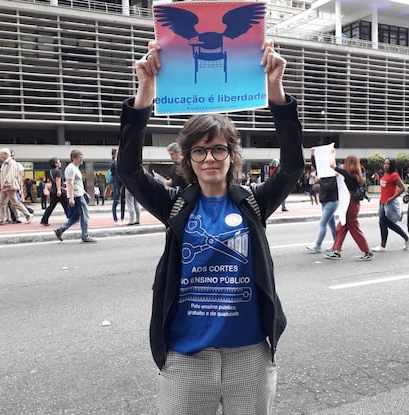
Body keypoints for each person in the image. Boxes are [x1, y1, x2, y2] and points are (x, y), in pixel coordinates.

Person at [117, 40, 304, 415]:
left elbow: (292, 167)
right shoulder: (176, 205)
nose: (209, 158)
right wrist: (145, 92)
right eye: (199, 151)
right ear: (188, 158)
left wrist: (275, 88)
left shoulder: (252, 203)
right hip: (186, 359)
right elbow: (129, 170)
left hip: (249, 356)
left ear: (232, 155)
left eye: (219, 148)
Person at [325, 155, 373, 261]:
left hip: (349, 203)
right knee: (342, 226)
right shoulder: (356, 175)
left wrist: (332, 153)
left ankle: (367, 251)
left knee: (352, 227)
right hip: (352, 202)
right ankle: (336, 251)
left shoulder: (347, 173)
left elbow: (332, 165)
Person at [54, 149, 96, 243]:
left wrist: (84, 192)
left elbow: (77, 183)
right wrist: (71, 198)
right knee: (84, 215)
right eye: (80, 158)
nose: (82, 159)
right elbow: (70, 183)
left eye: (82, 157)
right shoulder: (71, 168)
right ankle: (85, 236)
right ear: (74, 158)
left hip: (79, 194)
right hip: (77, 196)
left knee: (76, 217)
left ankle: (60, 230)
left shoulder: (75, 168)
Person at [372, 158, 409, 252]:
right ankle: (406, 238)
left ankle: (383, 245)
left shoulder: (394, 175)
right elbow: (385, 185)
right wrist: (378, 179)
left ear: (391, 165)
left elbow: (402, 188)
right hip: (382, 202)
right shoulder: (385, 174)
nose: (385, 165)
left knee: (383, 223)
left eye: (387, 164)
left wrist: (392, 198)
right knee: (385, 223)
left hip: (389, 204)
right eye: (384, 163)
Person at [306, 148, 338, 254]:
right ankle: (337, 245)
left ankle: (318, 246)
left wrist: (319, 182)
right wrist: (312, 155)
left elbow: (329, 186)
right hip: (326, 201)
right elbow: (316, 164)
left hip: (331, 202)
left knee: (323, 223)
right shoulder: (323, 171)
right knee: (332, 225)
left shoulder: (332, 173)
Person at [0, 148, 33, 224]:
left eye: (1, 154)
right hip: (5, 186)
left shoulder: (11, 163)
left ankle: (28, 215)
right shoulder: (4, 163)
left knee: (15, 202)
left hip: (9, 186)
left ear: (5, 154)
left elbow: (10, 174)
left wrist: (6, 183)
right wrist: (0, 184)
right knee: (1, 202)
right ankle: (0, 219)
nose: (0, 155)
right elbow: (2, 176)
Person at [40, 158, 69, 226]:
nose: (60, 163)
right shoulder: (58, 171)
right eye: (59, 162)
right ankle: (71, 218)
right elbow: (58, 181)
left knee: (51, 206)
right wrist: (59, 190)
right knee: (66, 205)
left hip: (52, 191)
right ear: (56, 164)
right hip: (58, 191)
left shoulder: (50, 171)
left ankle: (44, 220)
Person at [110, 148, 125, 224]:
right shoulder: (113, 162)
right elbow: (112, 171)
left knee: (123, 200)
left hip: (122, 183)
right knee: (116, 200)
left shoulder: (120, 162)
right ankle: (115, 219)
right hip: (116, 182)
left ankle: (122, 218)